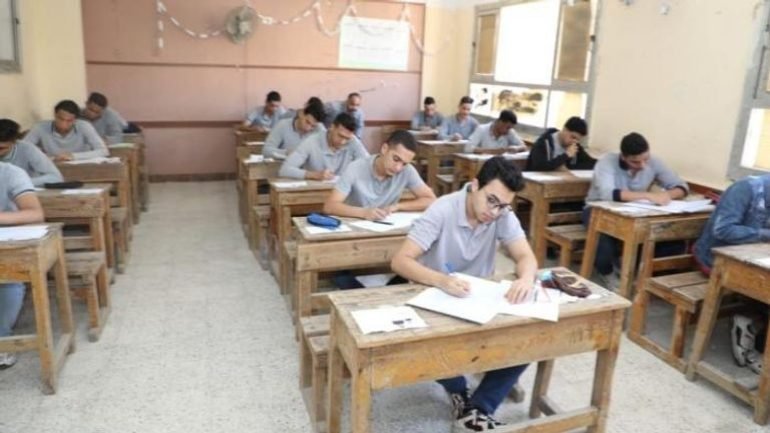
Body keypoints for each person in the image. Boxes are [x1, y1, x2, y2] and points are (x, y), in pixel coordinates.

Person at [391, 156, 537, 432]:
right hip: (436, 297)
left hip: (478, 298)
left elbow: (525, 256)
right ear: (474, 185)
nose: (494, 211)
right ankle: (459, 389)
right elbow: (400, 261)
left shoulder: (502, 214)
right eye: (491, 201)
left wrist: (527, 278)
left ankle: (478, 409)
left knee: (533, 336)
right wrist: (441, 280)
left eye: (503, 206)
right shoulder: (442, 209)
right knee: (424, 348)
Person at [323, 129, 436, 289]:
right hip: (354, 238)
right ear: (384, 149)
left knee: (412, 262)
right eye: (396, 159)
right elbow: (330, 206)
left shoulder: (407, 171)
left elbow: (431, 199)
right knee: (344, 276)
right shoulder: (356, 168)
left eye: (404, 163)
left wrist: (398, 206)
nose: (398, 168)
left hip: (384, 235)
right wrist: (364, 213)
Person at [583, 132, 689, 289]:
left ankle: (636, 272)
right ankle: (606, 271)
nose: (643, 165)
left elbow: (682, 187)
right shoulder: (607, 162)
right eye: (635, 162)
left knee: (669, 235)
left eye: (646, 159)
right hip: (599, 209)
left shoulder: (654, 162)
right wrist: (647, 195)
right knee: (603, 236)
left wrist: (668, 195)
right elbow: (608, 194)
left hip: (635, 212)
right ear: (623, 157)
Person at [693, 174, 770, 374]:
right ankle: (751, 326)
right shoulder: (745, 189)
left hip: (752, 257)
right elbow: (724, 230)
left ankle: (753, 323)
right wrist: (766, 235)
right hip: (716, 258)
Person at [0, 162, 45, 369]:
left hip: (6, 242)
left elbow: (35, 214)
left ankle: (2, 339)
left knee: (9, 279)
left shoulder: (9, 172)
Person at [278, 112, 368, 180]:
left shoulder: (353, 141)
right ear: (332, 127)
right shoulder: (312, 141)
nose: (343, 142)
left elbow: (369, 165)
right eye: (340, 136)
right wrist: (314, 175)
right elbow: (285, 170)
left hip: (342, 193)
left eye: (347, 138)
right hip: (314, 193)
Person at [21, 100, 108, 162]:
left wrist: (73, 156)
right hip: (53, 167)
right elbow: (22, 149)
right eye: (60, 119)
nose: (63, 124)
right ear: (55, 115)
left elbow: (103, 151)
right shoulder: (40, 127)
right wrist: (48, 158)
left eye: (69, 121)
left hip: (81, 168)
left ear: (75, 120)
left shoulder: (84, 126)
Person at [0, 119, 62, 186]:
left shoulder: (27, 149)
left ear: (14, 142)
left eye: (1, 148)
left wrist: (21, 182)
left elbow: (55, 177)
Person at [262, 99, 326, 159]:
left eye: (313, 126)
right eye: (307, 122)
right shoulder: (283, 125)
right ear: (301, 113)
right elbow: (266, 151)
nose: (308, 128)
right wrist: (286, 152)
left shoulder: (319, 128)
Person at [526, 116, 596, 171]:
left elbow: (591, 163)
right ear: (564, 129)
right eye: (573, 137)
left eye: (578, 140)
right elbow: (540, 167)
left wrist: (569, 168)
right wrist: (566, 155)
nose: (575, 141)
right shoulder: (543, 142)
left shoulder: (574, 146)